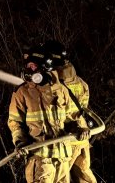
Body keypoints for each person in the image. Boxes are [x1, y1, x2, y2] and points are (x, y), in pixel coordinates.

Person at [8, 45, 89, 183]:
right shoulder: (22, 93)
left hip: (63, 157)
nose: (28, 70)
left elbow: (73, 115)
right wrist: (20, 142)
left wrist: (80, 128)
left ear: (44, 68)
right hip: (41, 158)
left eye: (32, 66)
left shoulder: (61, 90)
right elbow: (15, 122)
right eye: (28, 66)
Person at [44, 41, 97, 183]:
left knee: (60, 178)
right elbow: (82, 109)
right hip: (82, 138)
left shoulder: (56, 86)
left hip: (67, 139)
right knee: (84, 175)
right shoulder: (80, 82)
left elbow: (65, 112)